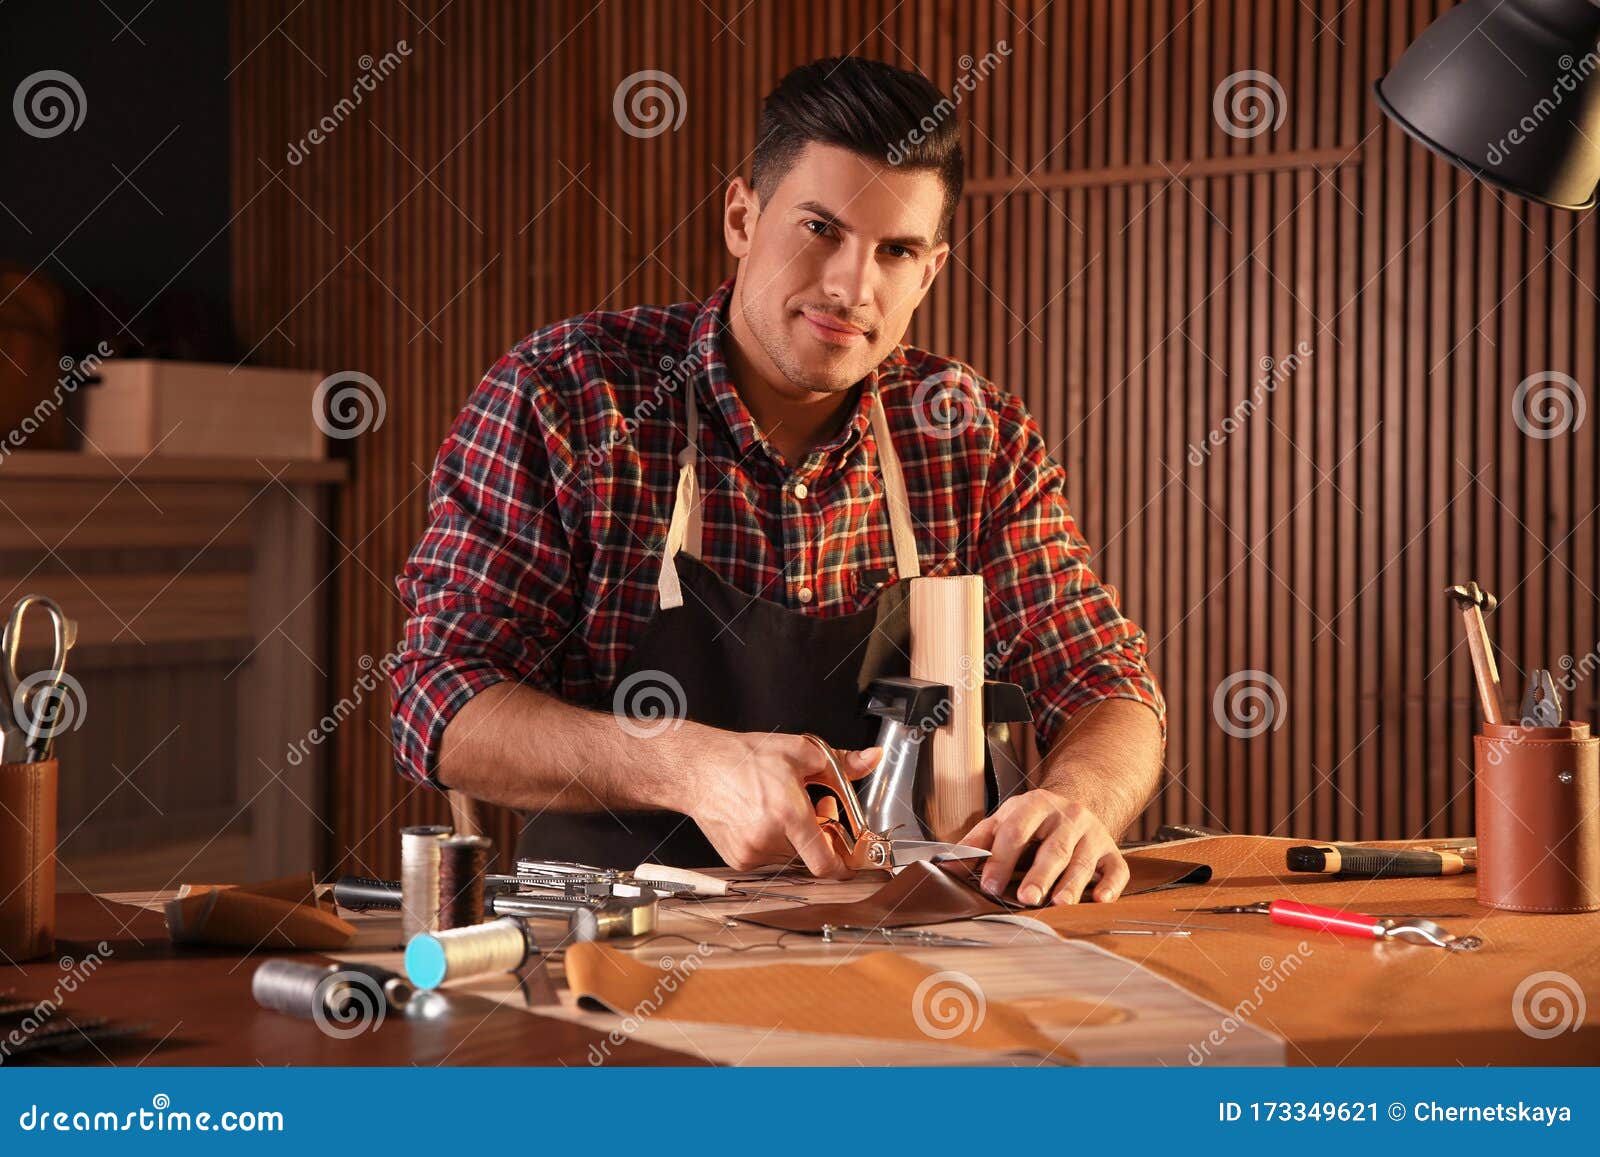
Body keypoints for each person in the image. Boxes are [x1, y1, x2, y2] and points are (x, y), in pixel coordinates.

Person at [391, 55, 1165, 906]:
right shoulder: (569, 396)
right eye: (820, 228)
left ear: (930, 272)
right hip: (615, 951)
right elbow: (440, 698)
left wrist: (1077, 801)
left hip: (912, 949)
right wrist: (687, 765)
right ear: (740, 216)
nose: (850, 285)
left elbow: (1107, 682)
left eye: (896, 251)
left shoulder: (972, 435)